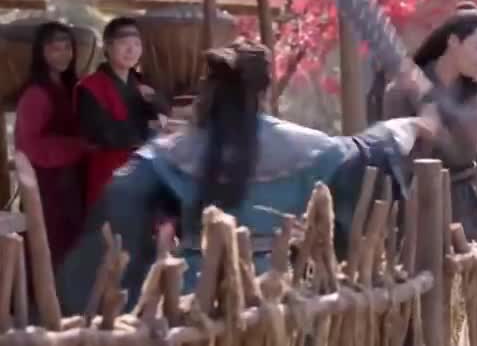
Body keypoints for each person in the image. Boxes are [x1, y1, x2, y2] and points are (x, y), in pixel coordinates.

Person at [56, 40, 439, 314]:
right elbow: (366, 151)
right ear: (264, 90)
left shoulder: (171, 151)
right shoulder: (305, 146)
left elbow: (119, 204)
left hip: (192, 300)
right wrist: (408, 125)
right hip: (273, 297)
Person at [383, 2, 477, 241]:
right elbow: (394, 154)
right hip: (415, 205)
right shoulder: (402, 89)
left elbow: (462, 148)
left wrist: (428, 105)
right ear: (453, 42)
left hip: (469, 206)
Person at [13, 21, 88, 265]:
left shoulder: (72, 87)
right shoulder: (35, 94)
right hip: (46, 186)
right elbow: (31, 146)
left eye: (67, 47)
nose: (63, 54)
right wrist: (79, 147)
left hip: (72, 182)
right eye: (55, 48)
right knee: (48, 250)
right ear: (41, 52)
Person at [74, 17, 169, 208]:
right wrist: (146, 134)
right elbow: (97, 134)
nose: (131, 50)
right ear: (107, 47)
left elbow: (165, 113)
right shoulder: (90, 86)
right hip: (107, 172)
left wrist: (154, 101)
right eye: (124, 43)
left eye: (137, 44)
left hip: (141, 172)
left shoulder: (141, 84)